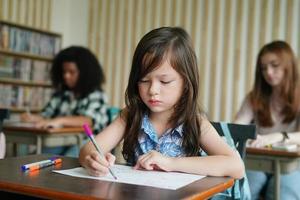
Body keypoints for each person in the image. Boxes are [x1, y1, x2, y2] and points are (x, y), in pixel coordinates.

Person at [79, 27, 244, 181]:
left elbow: (236, 166)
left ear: (186, 83)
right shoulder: (130, 116)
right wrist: (93, 160)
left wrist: (171, 163)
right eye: (144, 80)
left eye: (165, 81)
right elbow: (88, 150)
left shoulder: (194, 122)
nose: (153, 90)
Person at [235, 40, 300, 200]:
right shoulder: (254, 97)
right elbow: (237, 128)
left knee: (284, 193)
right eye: (263, 68)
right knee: (244, 190)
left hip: (293, 164)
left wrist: (279, 136)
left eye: (274, 65)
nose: (269, 72)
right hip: (258, 160)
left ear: (288, 66)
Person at [21, 46, 109, 157]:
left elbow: (88, 120)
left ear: (85, 73)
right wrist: (33, 118)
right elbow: (47, 116)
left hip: (87, 142)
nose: (66, 76)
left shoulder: (96, 94)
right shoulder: (61, 95)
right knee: (38, 156)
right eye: (64, 72)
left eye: (72, 72)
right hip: (61, 140)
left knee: (68, 159)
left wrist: (60, 121)